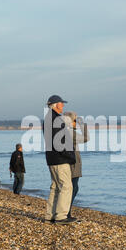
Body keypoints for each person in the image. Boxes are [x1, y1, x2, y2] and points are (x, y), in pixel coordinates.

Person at [43, 94, 76, 225]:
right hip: (60, 159)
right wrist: (70, 155)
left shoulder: (48, 118)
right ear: (56, 105)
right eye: (62, 103)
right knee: (66, 186)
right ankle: (61, 216)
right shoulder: (55, 119)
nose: (63, 106)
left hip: (51, 158)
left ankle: (50, 215)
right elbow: (59, 141)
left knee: (55, 187)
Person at [63, 112, 90, 219]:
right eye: (75, 121)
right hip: (72, 164)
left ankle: (65, 211)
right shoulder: (69, 132)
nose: (76, 123)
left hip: (69, 163)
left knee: (73, 188)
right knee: (73, 188)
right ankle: (66, 212)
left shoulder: (63, 131)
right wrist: (82, 125)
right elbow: (86, 138)